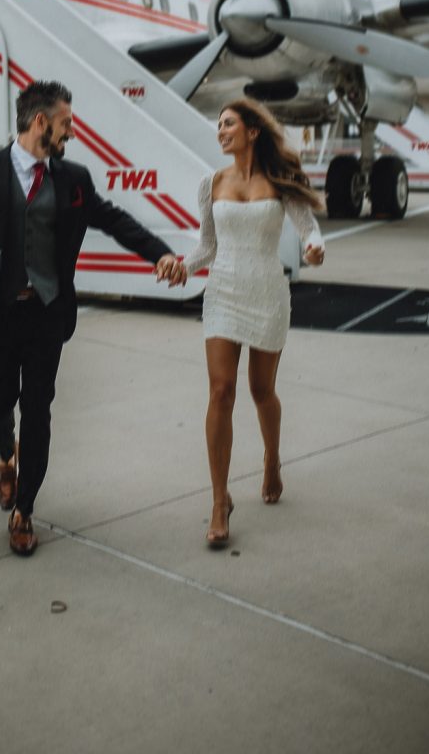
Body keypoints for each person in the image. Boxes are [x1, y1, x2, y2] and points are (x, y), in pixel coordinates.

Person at [0, 80, 182, 556]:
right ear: (40, 122)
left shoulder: (73, 179)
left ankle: (24, 510)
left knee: (38, 412)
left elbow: (114, 219)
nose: (70, 132)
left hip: (47, 315)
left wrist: (159, 254)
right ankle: (5, 456)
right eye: (66, 123)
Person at [177, 98, 325, 549]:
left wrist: (316, 249)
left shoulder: (280, 181)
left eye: (228, 124)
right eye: (218, 125)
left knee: (262, 390)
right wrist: (182, 266)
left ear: (252, 131)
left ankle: (272, 459)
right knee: (221, 391)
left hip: (267, 292)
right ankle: (220, 501)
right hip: (223, 292)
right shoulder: (211, 183)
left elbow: (309, 230)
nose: (221, 131)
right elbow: (206, 247)